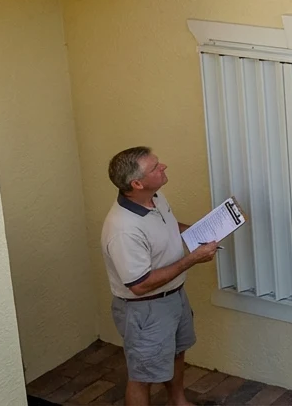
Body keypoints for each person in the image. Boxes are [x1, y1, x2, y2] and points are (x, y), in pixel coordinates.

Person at [100, 146, 219, 406]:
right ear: (137, 183)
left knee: (176, 353)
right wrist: (193, 259)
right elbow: (140, 285)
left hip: (174, 297)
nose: (163, 166)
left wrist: (199, 233)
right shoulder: (123, 230)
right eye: (155, 167)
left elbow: (167, 226)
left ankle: (178, 402)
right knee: (142, 376)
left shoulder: (154, 198)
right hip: (145, 309)